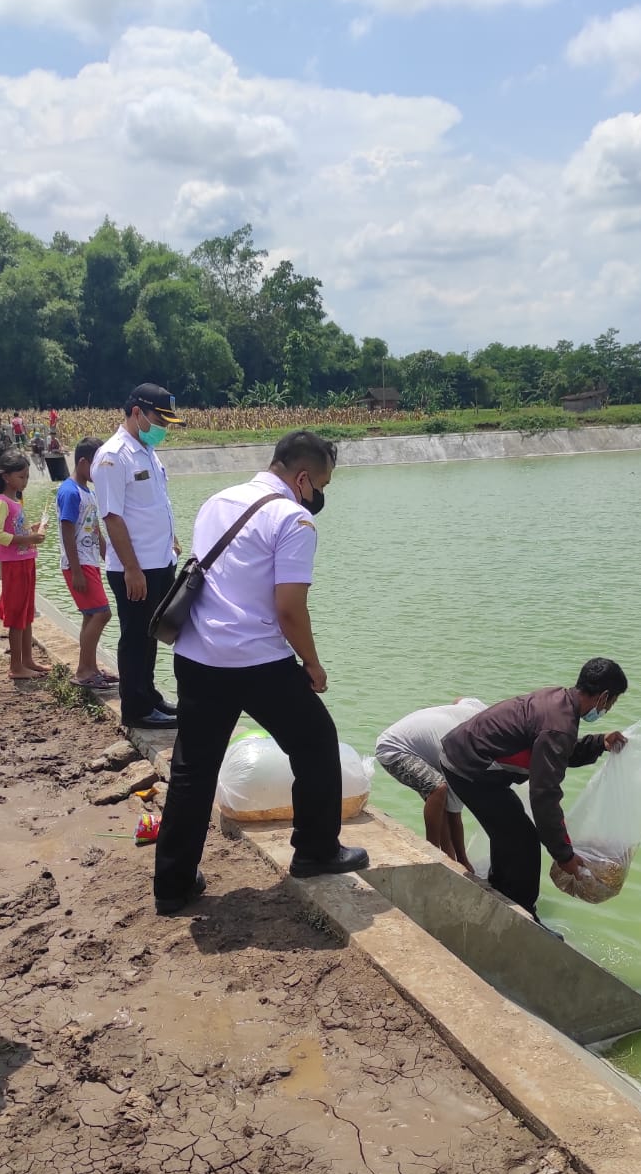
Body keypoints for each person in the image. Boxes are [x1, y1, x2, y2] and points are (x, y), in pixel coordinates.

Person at [153, 430, 369, 914]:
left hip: (196, 655)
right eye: (321, 486)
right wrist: (312, 663)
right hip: (257, 661)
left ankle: (172, 885)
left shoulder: (217, 501)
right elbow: (289, 609)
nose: (319, 497)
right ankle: (315, 851)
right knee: (316, 743)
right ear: (303, 477)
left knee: (192, 770)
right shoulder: (292, 519)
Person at [439, 659, 629, 921]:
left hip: (465, 758)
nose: (607, 708)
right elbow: (544, 796)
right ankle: (523, 916)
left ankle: (501, 894)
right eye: (612, 702)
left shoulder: (559, 701)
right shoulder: (559, 725)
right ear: (604, 696)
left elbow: (558, 753)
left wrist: (598, 743)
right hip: (470, 768)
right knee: (524, 841)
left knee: (510, 832)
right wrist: (564, 855)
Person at [92, 384, 182, 730]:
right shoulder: (114, 455)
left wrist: (170, 540)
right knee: (135, 637)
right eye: (160, 419)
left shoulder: (146, 450)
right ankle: (136, 708)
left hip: (159, 561)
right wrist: (131, 568)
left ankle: (149, 695)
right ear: (136, 413)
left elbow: (155, 504)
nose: (164, 427)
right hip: (135, 567)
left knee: (152, 633)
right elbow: (112, 516)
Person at [376, 699, 487, 871]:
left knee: (441, 800)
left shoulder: (482, 711)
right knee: (438, 788)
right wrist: (464, 859)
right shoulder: (467, 753)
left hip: (413, 746)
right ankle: (432, 853)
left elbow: (459, 699)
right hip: (394, 749)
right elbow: (455, 816)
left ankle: (448, 859)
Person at [57, 437, 116, 689]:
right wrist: (77, 570)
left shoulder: (87, 491)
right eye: (96, 465)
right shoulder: (70, 491)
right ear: (83, 462)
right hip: (78, 564)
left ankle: (90, 667)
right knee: (103, 613)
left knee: (90, 615)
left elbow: (95, 531)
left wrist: (108, 556)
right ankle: (83, 671)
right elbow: (67, 531)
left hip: (89, 561)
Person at [0, 449, 49, 680]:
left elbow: (13, 528)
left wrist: (31, 529)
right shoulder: (2, 502)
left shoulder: (15, 501)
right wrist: (28, 539)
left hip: (26, 561)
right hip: (14, 565)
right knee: (16, 615)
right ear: (6, 477)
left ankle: (28, 659)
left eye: (27, 476)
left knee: (27, 612)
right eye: (21, 476)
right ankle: (16, 666)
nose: (25, 481)